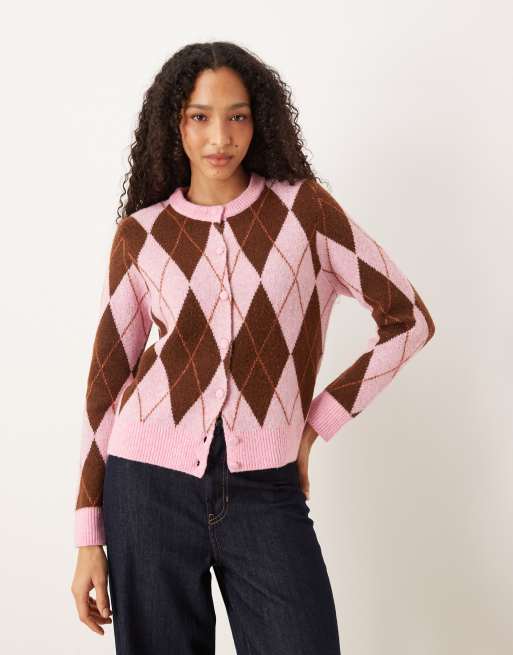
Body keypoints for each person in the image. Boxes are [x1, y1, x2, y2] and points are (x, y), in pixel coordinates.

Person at [70, 41, 435, 654]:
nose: (220, 137)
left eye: (237, 116)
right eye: (200, 116)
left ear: (258, 119)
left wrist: (315, 423)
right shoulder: (141, 235)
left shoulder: (305, 212)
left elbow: (409, 319)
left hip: (266, 488)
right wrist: (88, 535)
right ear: (174, 124)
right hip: (146, 487)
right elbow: (106, 384)